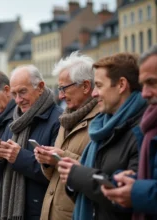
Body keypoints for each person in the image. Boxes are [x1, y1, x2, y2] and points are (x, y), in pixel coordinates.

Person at [57, 53, 147, 220]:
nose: (94, 93)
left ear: (121, 85)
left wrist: (78, 174)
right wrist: (73, 178)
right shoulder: (103, 127)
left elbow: (124, 196)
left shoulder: (140, 131)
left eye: (98, 85)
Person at [101, 42, 157, 219]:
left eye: (152, 82)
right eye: (143, 84)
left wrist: (137, 191)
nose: (145, 93)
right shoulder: (153, 124)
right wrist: (125, 180)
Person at [0, 65, 63, 220]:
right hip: (16, 209)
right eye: (14, 94)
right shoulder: (15, 119)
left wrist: (18, 157)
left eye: (23, 92)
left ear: (40, 87)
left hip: (40, 209)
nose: (18, 100)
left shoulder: (58, 119)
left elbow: (54, 173)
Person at [34, 52, 99, 220]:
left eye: (64, 88)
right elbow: (54, 176)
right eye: (59, 89)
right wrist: (47, 162)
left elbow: (100, 172)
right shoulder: (67, 118)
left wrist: (61, 157)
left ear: (85, 86)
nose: (60, 95)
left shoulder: (100, 121)